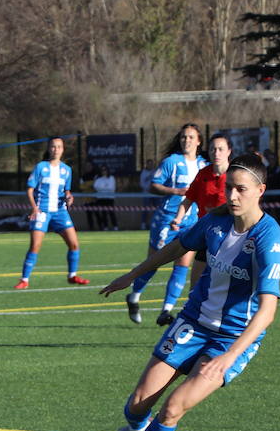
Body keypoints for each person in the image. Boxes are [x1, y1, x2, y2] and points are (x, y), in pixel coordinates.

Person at [93, 154, 280, 431]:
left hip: (231, 339)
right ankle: (136, 429)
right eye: (229, 188)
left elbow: (267, 310)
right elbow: (178, 246)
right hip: (193, 322)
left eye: (241, 190)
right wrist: (133, 275)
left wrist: (230, 357)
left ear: (260, 191)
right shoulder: (216, 222)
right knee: (138, 402)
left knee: (173, 407)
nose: (233, 196)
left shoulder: (269, 239)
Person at [123, 124, 207, 324]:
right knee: (154, 263)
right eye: (183, 137)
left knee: (182, 265)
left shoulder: (204, 165)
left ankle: (166, 310)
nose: (186, 141)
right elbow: (153, 185)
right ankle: (134, 296)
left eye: (190, 137)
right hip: (167, 221)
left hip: (191, 222)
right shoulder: (172, 162)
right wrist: (175, 191)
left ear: (198, 141)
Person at [161, 133, 233, 323]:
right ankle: (191, 323)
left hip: (230, 239)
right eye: (212, 149)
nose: (216, 153)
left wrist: (220, 211)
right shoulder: (203, 175)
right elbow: (188, 200)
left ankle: (228, 326)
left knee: (225, 286)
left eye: (220, 149)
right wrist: (177, 219)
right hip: (207, 236)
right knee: (196, 285)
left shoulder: (235, 177)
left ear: (229, 151)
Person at [13, 136, 88, 289]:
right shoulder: (41, 167)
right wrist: (34, 207)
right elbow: (29, 189)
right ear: (49, 149)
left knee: (74, 244)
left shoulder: (66, 170)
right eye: (53, 147)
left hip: (60, 211)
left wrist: (69, 197)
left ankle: (72, 276)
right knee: (35, 245)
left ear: (63, 149)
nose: (56, 149)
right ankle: (24, 279)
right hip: (42, 211)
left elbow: (66, 191)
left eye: (59, 147)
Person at [92, 165, 117, 230]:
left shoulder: (111, 178)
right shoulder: (98, 179)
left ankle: (115, 226)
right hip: (101, 198)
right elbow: (95, 187)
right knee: (103, 213)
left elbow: (111, 188)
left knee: (111, 213)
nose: (104, 171)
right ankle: (105, 227)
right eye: (102, 170)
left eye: (105, 170)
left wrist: (102, 188)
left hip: (109, 198)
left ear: (107, 170)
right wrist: (105, 187)